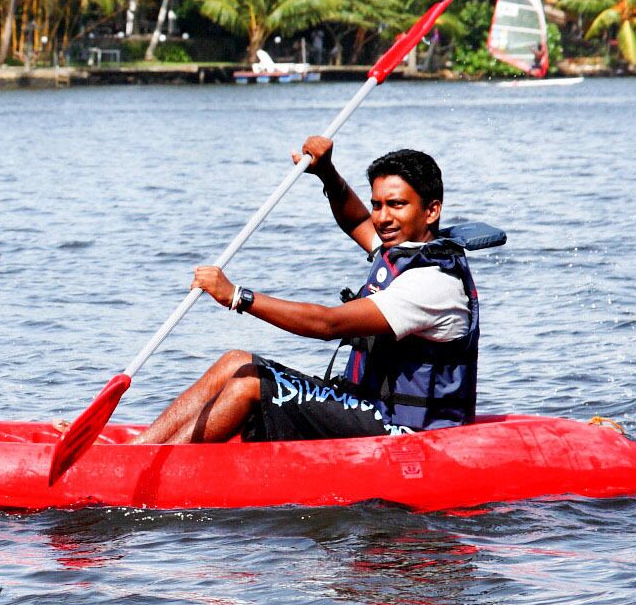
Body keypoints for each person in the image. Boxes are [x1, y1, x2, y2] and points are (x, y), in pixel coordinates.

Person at [133, 139, 478, 445]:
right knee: (235, 361)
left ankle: (146, 467)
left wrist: (238, 296)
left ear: (431, 210)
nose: (381, 217)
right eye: (377, 204)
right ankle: (139, 451)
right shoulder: (401, 248)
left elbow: (327, 324)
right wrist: (327, 173)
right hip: (364, 404)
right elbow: (356, 221)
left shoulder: (432, 283)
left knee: (249, 384)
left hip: (405, 432)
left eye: (396, 205)